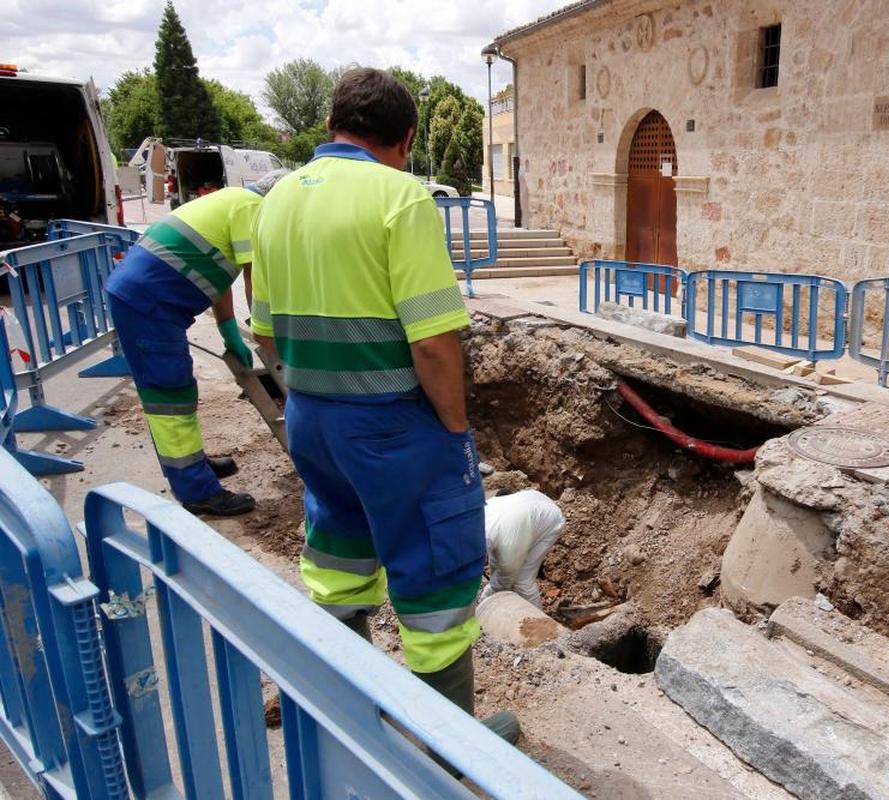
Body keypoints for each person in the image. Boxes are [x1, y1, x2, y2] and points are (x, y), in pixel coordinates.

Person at [249, 68, 517, 743]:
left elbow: (262, 331)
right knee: (435, 578)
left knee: (337, 560)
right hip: (394, 425)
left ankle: (342, 718)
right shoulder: (400, 197)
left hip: (310, 416)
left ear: (334, 125)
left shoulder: (276, 199)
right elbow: (432, 343)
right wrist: (454, 429)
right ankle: (446, 751)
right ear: (405, 137)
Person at [106, 169, 290, 516]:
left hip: (143, 299)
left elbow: (221, 274)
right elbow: (255, 278)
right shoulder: (251, 209)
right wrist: (265, 334)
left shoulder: (233, 203)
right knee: (170, 394)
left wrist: (228, 329)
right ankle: (196, 489)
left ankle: (192, 465)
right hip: (149, 305)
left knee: (175, 389)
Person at [482, 490, 565, 606]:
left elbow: (505, 577)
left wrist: (485, 602)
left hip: (549, 521)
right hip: (530, 502)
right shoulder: (475, 520)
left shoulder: (504, 540)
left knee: (522, 580)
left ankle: (538, 620)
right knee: (497, 568)